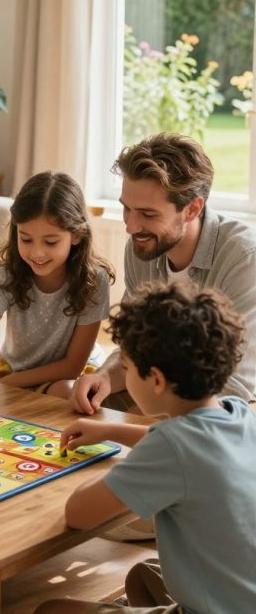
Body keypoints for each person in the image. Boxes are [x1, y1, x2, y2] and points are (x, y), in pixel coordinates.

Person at [32, 280, 256, 614]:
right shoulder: (238, 413)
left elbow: (78, 513)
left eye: (128, 368)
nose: (125, 378)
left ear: (154, 378)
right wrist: (112, 430)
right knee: (142, 578)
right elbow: (181, 438)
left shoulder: (172, 448)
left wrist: (95, 472)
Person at [70, 133, 256, 416]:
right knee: (82, 405)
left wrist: (138, 418)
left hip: (235, 406)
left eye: (147, 214)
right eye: (126, 208)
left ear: (192, 208)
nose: (131, 227)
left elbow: (237, 385)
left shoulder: (244, 259)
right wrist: (105, 376)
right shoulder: (141, 248)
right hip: (166, 388)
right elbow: (136, 349)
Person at [0, 171, 114, 415]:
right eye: (26, 239)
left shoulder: (94, 280)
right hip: (15, 368)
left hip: (63, 375)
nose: (37, 253)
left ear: (76, 235)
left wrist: (2, 386)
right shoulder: (7, 274)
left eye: (50, 242)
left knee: (64, 392)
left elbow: (72, 366)